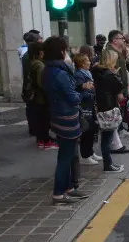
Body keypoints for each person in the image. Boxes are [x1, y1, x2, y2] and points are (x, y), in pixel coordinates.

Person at [41, 37, 89, 205]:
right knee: (65, 157)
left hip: (58, 115)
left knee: (67, 156)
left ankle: (68, 188)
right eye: (65, 50)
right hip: (66, 118)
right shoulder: (59, 73)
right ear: (61, 52)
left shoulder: (48, 70)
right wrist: (81, 93)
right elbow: (72, 98)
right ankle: (59, 194)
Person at [92, 49, 127, 171]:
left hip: (99, 106)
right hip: (109, 107)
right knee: (108, 137)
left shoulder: (96, 71)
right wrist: (116, 74)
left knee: (105, 137)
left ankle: (108, 163)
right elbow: (119, 91)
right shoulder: (110, 75)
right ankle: (108, 164)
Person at [28, 42, 58, 150]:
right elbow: (42, 82)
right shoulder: (40, 65)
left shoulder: (32, 63)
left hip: (36, 97)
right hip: (42, 98)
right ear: (41, 52)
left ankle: (41, 140)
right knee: (44, 120)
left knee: (40, 120)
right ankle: (46, 142)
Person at [73, 53, 101, 166]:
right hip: (85, 106)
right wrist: (92, 93)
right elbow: (80, 91)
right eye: (87, 61)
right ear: (81, 63)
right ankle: (85, 155)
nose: (89, 62)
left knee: (93, 128)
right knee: (87, 130)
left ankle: (90, 152)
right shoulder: (79, 75)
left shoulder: (87, 72)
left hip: (91, 104)